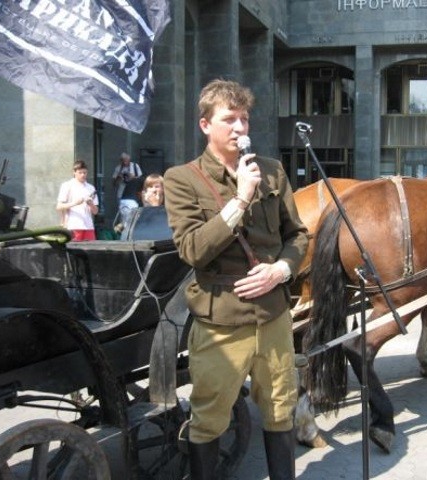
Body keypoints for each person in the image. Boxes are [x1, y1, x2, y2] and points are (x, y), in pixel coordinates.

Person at [163, 79, 308, 480]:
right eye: (229, 119)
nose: (240, 128)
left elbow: (297, 235)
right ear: (205, 125)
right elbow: (192, 249)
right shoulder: (182, 178)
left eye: (244, 119)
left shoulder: (272, 170)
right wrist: (241, 198)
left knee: (281, 410)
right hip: (220, 322)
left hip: (273, 316)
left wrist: (281, 270)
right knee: (209, 418)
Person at [56, 159, 98, 241]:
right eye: (80, 172)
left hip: (88, 226)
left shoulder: (91, 188)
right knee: (74, 247)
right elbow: (59, 206)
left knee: (91, 247)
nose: (83, 175)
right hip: (73, 225)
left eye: (85, 173)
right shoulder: (67, 185)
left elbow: (95, 212)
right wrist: (74, 203)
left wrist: (91, 204)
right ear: (74, 172)